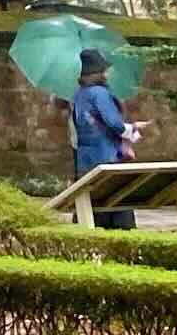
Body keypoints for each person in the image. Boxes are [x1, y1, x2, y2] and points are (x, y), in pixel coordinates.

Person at [70, 49, 138, 230]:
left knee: (93, 204)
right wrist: (133, 129)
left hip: (85, 159)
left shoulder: (79, 94)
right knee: (117, 202)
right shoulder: (100, 93)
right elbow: (114, 123)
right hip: (107, 155)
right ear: (98, 72)